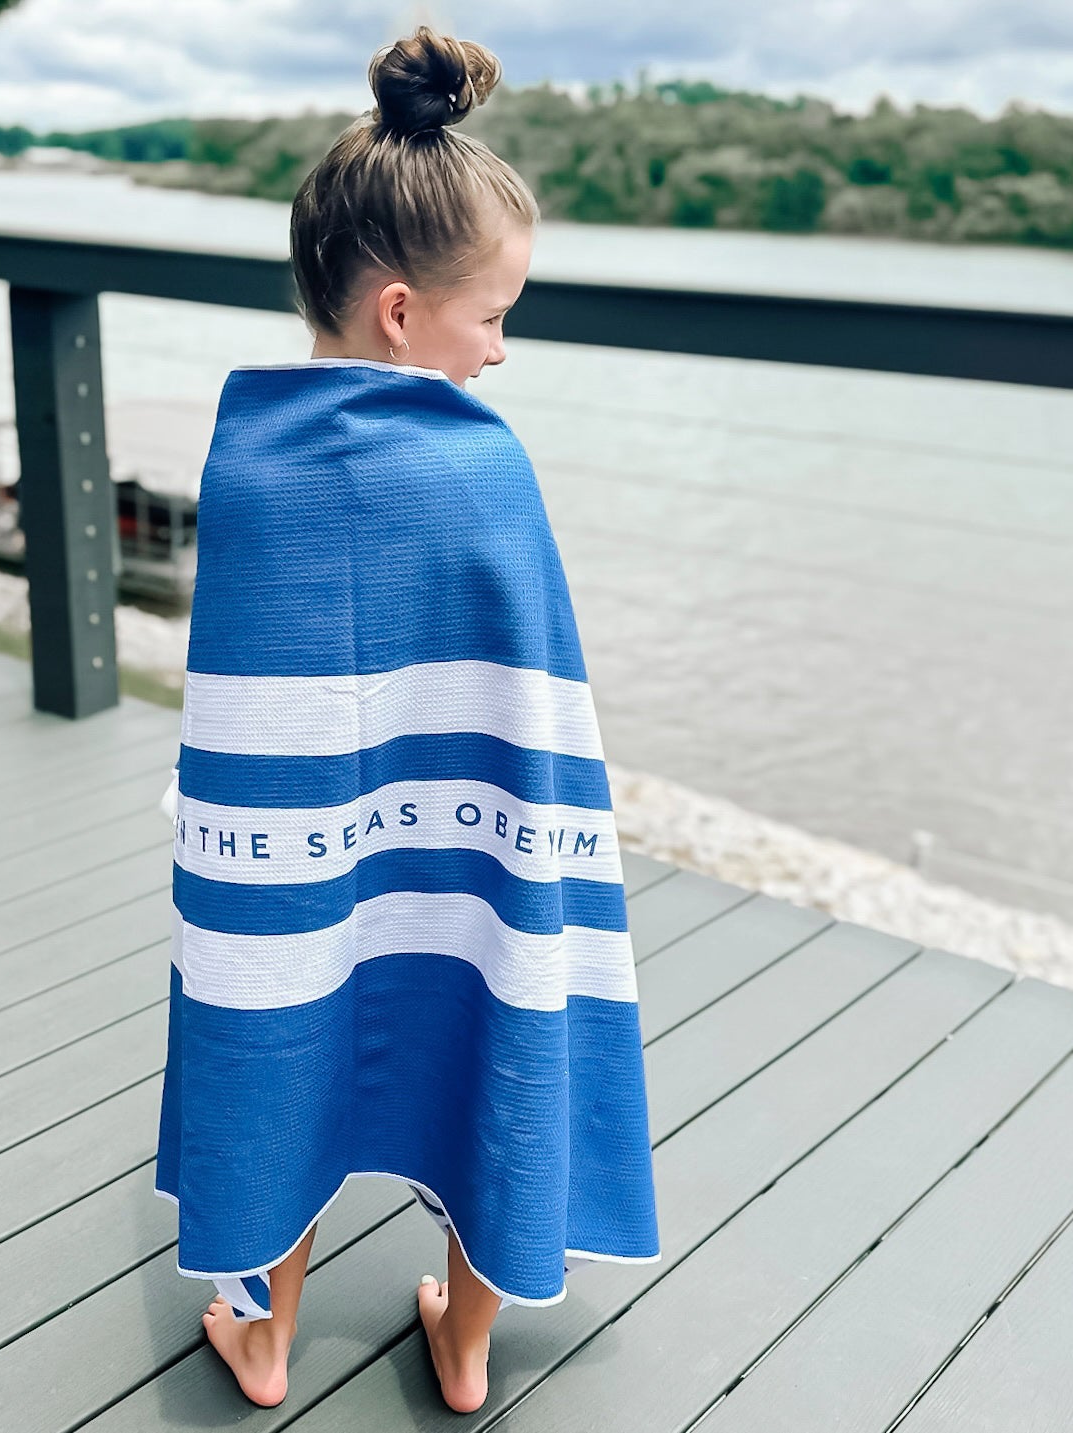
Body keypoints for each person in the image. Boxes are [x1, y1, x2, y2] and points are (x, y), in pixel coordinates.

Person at [153, 24, 662, 1416]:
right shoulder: (485, 474)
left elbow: (251, 698)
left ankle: (261, 1340)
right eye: (492, 316)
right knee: (491, 992)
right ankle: (466, 1336)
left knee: (278, 1011)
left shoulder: (249, 460)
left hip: (298, 850)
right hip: (474, 842)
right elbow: (528, 697)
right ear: (397, 313)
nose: (500, 351)